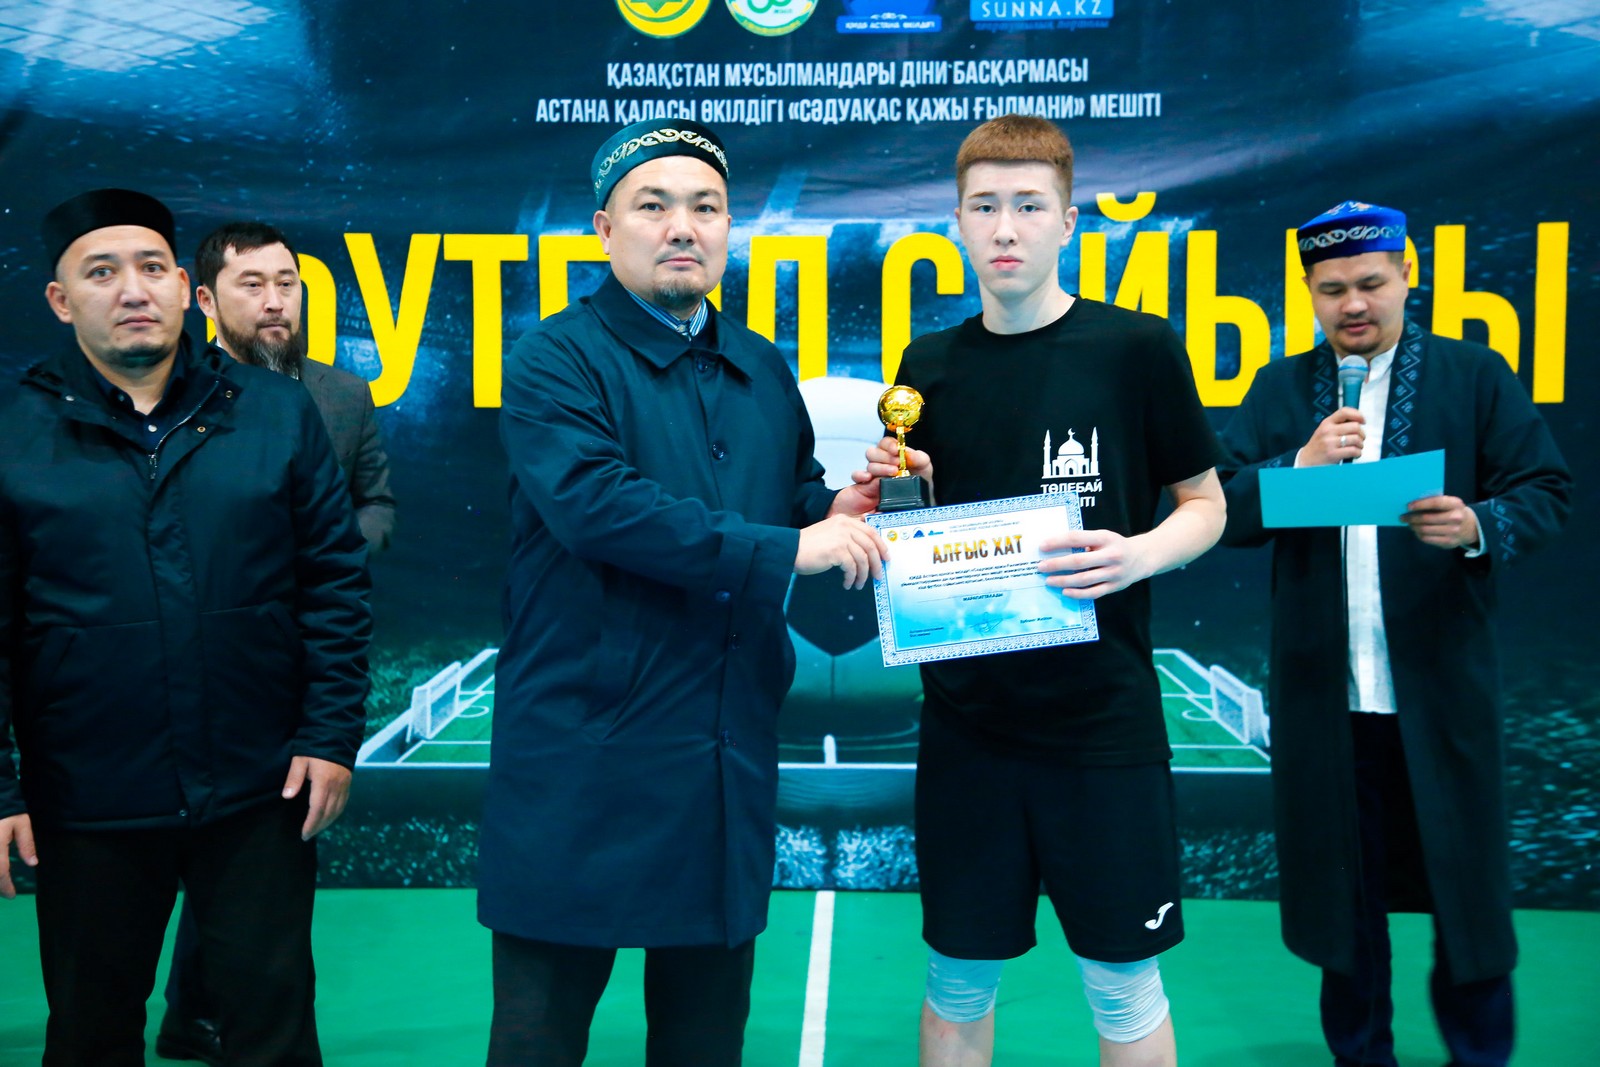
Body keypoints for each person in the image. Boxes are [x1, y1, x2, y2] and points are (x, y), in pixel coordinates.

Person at [479, 119, 888, 1066]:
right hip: (584, 754)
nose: (682, 227)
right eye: (653, 205)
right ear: (603, 227)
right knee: (538, 1039)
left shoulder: (759, 364)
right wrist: (793, 545)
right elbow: (599, 509)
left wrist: (839, 506)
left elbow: (789, 495)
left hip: (720, 757)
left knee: (705, 1038)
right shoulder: (554, 359)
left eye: (706, 208)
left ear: (729, 228)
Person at [855, 115, 1226, 1067]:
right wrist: (897, 498)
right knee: (957, 977)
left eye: (1029, 206)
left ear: (1068, 221)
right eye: (984, 207)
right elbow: (922, 532)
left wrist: (1138, 555)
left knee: (1123, 983)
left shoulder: (1137, 348)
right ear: (957, 222)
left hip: (1102, 723)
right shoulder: (927, 366)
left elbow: (1206, 505)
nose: (1005, 227)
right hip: (968, 728)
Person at [0, 188, 371, 1066]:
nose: (133, 289)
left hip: (258, 792)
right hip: (86, 798)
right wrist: (3, 788)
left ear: (181, 287)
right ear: (61, 299)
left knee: (274, 1028)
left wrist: (329, 736)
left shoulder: (275, 412)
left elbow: (333, 582)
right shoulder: (14, 432)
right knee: (91, 1031)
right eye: (102, 272)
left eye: (151, 267)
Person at [1216, 201, 1571, 1067]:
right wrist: (1297, 466)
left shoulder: (1473, 376)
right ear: (1309, 292)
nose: (1353, 305)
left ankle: (1479, 1054)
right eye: (1331, 289)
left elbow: (1546, 488)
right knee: (1345, 901)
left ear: (1408, 276)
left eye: (1371, 283)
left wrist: (1478, 523)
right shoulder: (1279, 389)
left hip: (1441, 691)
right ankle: (1361, 1054)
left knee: (1466, 893)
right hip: (1325, 698)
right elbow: (1218, 505)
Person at [146, 220, 398, 1065]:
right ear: (205, 299)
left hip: (307, 658)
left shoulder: (342, 394)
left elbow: (377, 503)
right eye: (252, 285)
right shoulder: (174, 394)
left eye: (286, 282)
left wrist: (323, 550)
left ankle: (201, 1013)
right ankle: (197, 1010)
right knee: (204, 852)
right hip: (199, 663)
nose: (275, 300)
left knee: (262, 856)